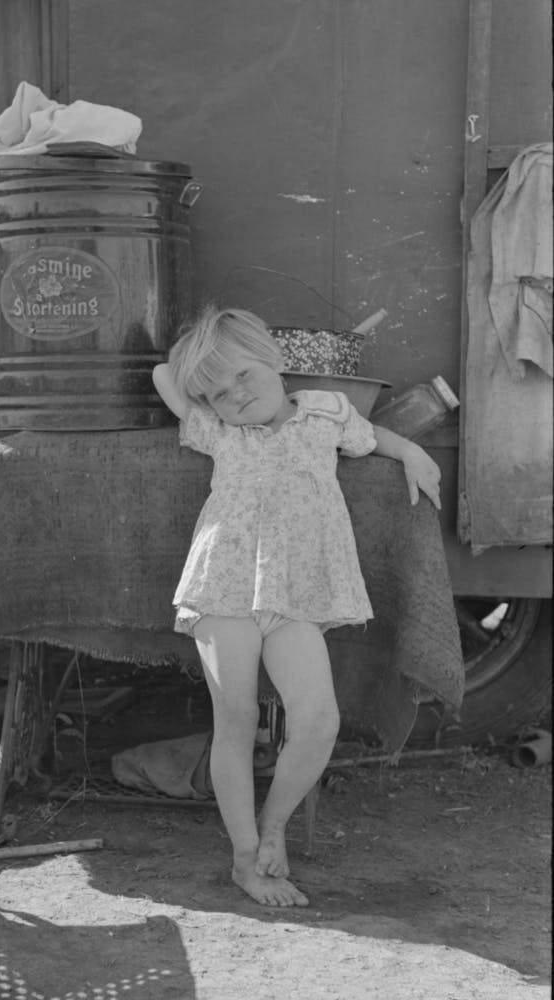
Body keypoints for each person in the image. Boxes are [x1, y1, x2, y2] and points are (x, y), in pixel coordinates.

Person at [152, 305, 441, 908]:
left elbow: (372, 439)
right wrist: (201, 370)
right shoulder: (216, 429)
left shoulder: (326, 413)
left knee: (318, 720)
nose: (233, 395)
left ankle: (275, 825)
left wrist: (411, 454)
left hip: (294, 593)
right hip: (223, 587)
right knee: (235, 719)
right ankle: (243, 857)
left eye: (244, 377)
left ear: (276, 361)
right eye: (217, 391)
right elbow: (162, 376)